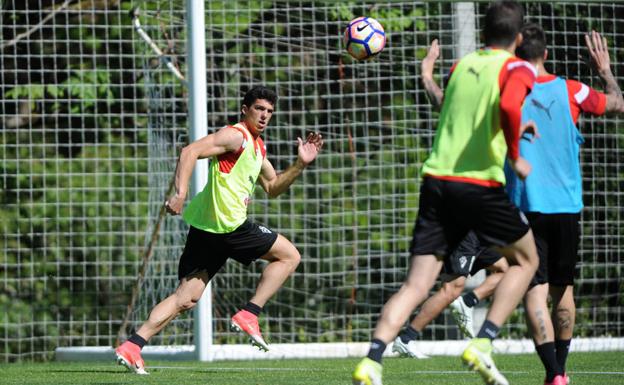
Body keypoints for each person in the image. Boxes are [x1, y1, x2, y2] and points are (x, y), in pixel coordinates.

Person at [352, 2, 539, 385]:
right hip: (479, 186)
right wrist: (516, 155)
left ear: (484, 33)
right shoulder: (517, 68)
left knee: (416, 284)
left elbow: (451, 109)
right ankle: (483, 343)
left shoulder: (462, 66)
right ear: (519, 39)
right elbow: (506, 104)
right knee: (525, 261)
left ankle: (372, 361)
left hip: (436, 183)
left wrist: (426, 72)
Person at [114, 86, 324, 374]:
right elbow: (190, 151)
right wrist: (180, 193)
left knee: (185, 297)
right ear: (245, 109)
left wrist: (301, 164)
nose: (264, 116)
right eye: (259, 108)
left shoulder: (257, 147)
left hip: (206, 228)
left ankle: (133, 345)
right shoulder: (235, 136)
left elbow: (273, 187)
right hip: (229, 226)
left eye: (269, 112)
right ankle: (250, 314)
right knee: (289, 257)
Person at [505, 24, 624, 385]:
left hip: (525, 206)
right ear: (546, 55)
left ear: (515, 56)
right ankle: (561, 369)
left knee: (534, 291)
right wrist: (605, 72)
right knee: (563, 290)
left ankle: (554, 373)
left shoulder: (507, 91)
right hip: (566, 208)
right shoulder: (573, 90)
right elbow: (618, 103)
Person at [393, 232, 508, 359]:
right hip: (463, 232)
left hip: (479, 233)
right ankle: (406, 339)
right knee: (451, 290)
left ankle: (468, 301)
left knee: (506, 270)